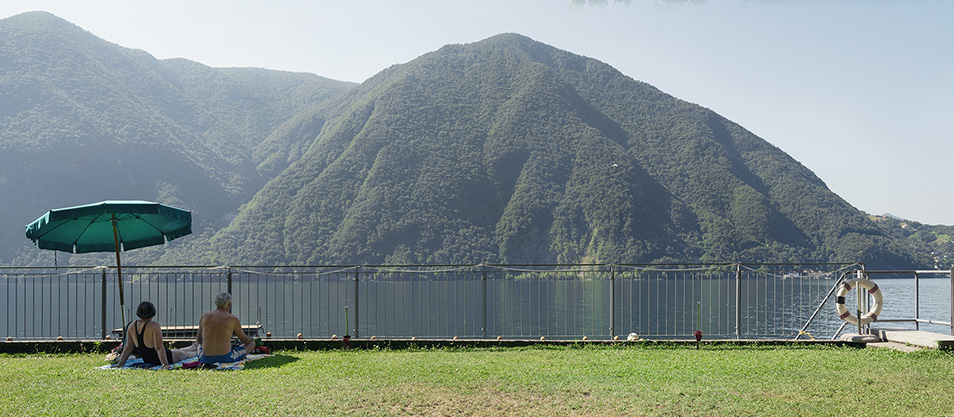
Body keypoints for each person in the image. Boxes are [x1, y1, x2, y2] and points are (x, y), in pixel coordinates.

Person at [115, 301, 200, 369]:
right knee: (187, 354)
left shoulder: (132, 325)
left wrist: (120, 364)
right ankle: (199, 348)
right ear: (152, 312)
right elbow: (159, 347)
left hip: (149, 359)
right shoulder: (154, 325)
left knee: (180, 350)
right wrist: (165, 364)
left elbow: (128, 347)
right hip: (163, 358)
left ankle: (195, 345)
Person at [197, 292, 256, 365]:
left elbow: (199, 340)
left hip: (206, 359)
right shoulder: (233, 319)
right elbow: (244, 339)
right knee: (252, 344)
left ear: (216, 303)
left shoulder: (204, 317)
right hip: (225, 358)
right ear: (229, 305)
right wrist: (252, 339)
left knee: (198, 345)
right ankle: (241, 355)